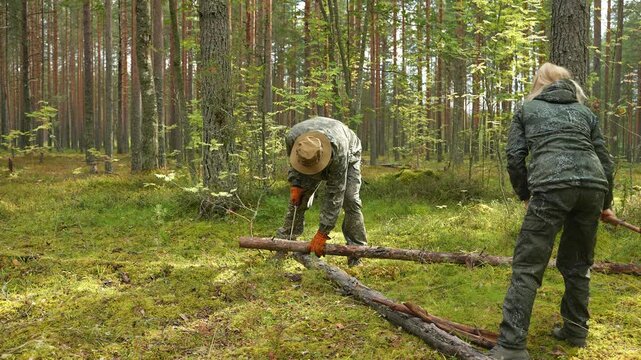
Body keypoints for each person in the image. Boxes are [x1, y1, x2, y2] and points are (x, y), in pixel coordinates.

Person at [489, 63, 618, 360]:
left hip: (550, 187)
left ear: (539, 84)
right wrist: (606, 203)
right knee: (578, 264)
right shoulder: (586, 113)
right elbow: (605, 161)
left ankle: (511, 346)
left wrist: (525, 193)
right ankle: (575, 330)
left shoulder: (527, 110)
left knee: (528, 266)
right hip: (593, 188)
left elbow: (514, 156)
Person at [275, 116, 367, 267]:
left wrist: (323, 232)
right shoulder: (292, 137)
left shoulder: (340, 152)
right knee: (298, 200)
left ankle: (357, 251)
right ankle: (283, 245)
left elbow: (335, 195)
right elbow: (294, 163)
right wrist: (295, 184)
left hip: (350, 152)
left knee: (350, 200)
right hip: (313, 153)